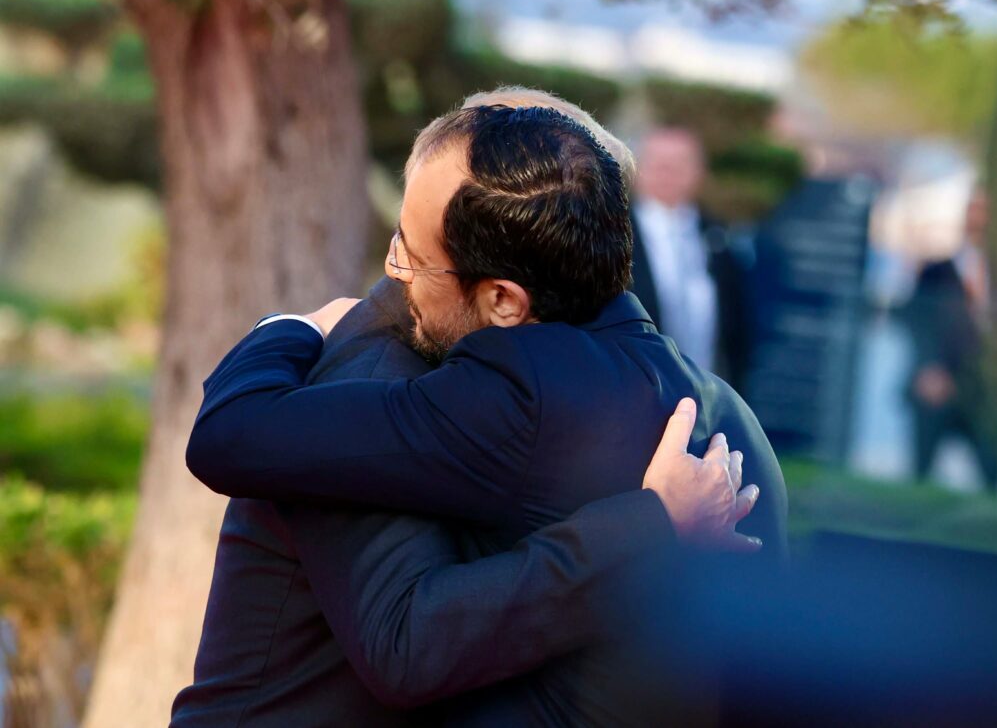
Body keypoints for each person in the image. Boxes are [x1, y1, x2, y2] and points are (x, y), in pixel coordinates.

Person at [171, 91, 768, 727]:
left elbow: (414, 646)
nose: (394, 269)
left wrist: (293, 325)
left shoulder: (510, 388)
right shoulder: (727, 418)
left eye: (410, 250)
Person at [630, 128, 751, 392]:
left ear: (700, 172)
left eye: (679, 164)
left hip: (707, 391)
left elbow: (737, 325)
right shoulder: (613, 234)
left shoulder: (719, 237)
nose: (667, 173)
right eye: (658, 163)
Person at [905, 188, 997, 492]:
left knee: (992, 469)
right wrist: (929, 366)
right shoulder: (936, 270)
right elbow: (918, 320)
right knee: (922, 470)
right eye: (974, 209)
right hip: (939, 380)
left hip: (981, 387)